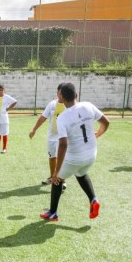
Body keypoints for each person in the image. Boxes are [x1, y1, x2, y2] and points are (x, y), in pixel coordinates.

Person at [40, 83, 109, 222]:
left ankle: (53, 213)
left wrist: (55, 172)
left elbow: (63, 145)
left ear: (63, 99)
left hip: (75, 158)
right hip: (91, 155)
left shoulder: (63, 117)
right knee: (81, 174)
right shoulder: (88, 105)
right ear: (76, 95)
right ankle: (93, 199)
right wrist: (98, 134)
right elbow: (106, 122)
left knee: (57, 180)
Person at [29, 83, 67, 186]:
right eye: (60, 93)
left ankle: (61, 180)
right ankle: (52, 177)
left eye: (63, 93)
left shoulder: (68, 105)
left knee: (61, 158)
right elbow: (43, 117)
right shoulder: (52, 104)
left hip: (63, 137)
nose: (62, 95)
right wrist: (34, 129)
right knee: (52, 157)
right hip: (51, 137)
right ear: (57, 93)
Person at [0, 84, 17, 153]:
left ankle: (4, 148)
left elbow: (15, 101)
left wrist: (9, 108)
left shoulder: (7, 97)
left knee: (4, 133)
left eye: (2, 90)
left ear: (4, 90)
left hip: (4, 118)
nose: (1, 91)